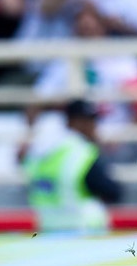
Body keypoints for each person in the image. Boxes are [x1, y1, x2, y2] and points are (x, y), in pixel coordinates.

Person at [22, 98, 121, 233]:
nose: (94, 126)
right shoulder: (82, 152)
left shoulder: (43, 149)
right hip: (85, 231)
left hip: (47, 229)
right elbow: (112, 191)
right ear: (74, 121)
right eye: (90, 121)